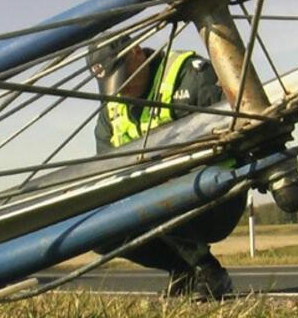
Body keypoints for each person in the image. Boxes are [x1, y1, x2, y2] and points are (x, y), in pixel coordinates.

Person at [87, 37, 248, 299]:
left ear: (137, 53)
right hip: (151, 204)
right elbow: (107, 172)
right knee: (97, 231)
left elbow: (241, 125)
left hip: (217, 196)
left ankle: (209, 272)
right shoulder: (111, 110)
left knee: (153, 185)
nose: (121, 89)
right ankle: (183, 269)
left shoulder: (189, 75)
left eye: (124, 76)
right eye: (113, 84)